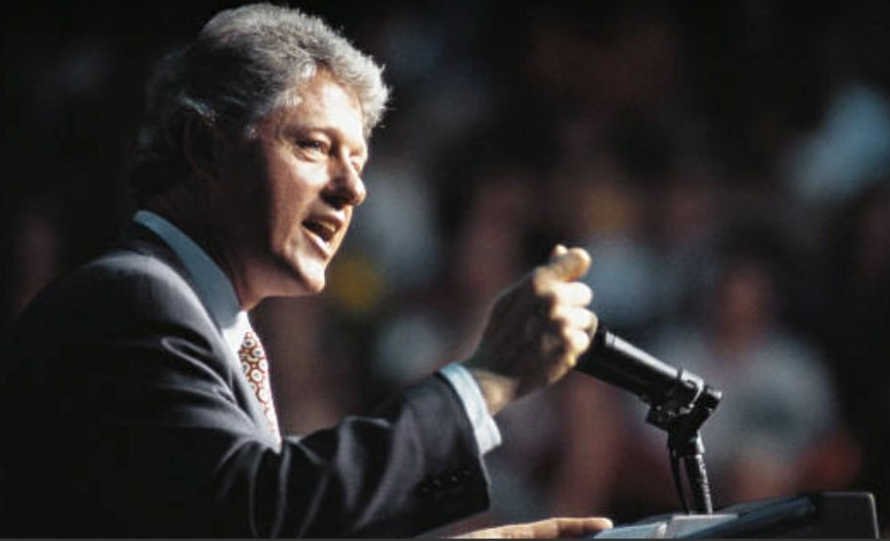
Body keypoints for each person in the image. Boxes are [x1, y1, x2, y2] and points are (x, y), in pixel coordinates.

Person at [0, 4, 610, 538]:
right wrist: (486, 379)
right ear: (205, 146)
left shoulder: (197, 314)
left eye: (359, 160)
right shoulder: (134, 299)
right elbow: (256, 512)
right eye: (315, 147)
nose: (354, 190)